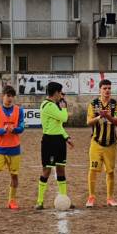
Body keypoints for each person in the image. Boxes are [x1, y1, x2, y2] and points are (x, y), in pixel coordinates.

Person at [0, 85, 24, 211]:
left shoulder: (19, 111)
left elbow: (22, 127)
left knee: (14, 176)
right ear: (2, 96)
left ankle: (12, 200)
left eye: (12, 96)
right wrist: (2, 130)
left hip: (14, 149)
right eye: (8, 95)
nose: (10, 98)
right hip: (0, 149)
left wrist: (15, 129)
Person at [36, 81, 72, 210]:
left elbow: (58, 125)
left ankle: (64, 197)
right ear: (56, 93)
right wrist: (64, 107)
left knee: (61, 169)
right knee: (47, 170)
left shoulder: (53, 105)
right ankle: (39, 201)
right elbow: (64, 118)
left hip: (59, 141)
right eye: (60, 92)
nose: (61, 95)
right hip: (49, 141)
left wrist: (66, 137)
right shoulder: (48, 106)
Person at [85, 79, 117, 208]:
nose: (107, 91)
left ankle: (110, 198)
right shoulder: (93, 104)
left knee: (110, 172)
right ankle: (91, 197)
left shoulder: (115, 104)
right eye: (104, 88)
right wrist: (99, 116)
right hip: (96, 143)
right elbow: (88, 122)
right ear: (99, 90)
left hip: (111, 143)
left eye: (109, 88)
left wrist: (108, 116)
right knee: (93, 170)